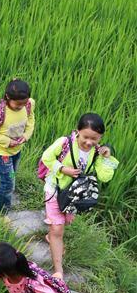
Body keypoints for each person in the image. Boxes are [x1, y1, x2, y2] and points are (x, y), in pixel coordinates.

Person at [41, 113, 118, 278]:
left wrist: (107, 156)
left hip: (74, 195)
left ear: (100, 137)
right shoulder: (65, 143)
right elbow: (46, 157)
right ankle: (58, 271)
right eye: (85, 137)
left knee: (63, 224)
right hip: (55, 189)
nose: (89, 142)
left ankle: (51, 236)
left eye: (94, 139)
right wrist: (63, 169)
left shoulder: (96, 152)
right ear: (77, 132)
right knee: (57, 228)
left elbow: (105, 176)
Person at [0, 79, 35, 215]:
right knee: (8, 182)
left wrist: (26, 135)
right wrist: (7, 141)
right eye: (18, 104)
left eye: (24, 103)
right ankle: (1, 213)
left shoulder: (29, 104)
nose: (21, 106)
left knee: (9, 171)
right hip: (2, 151)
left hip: (17, 149)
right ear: (8, 97)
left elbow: (31, 118)